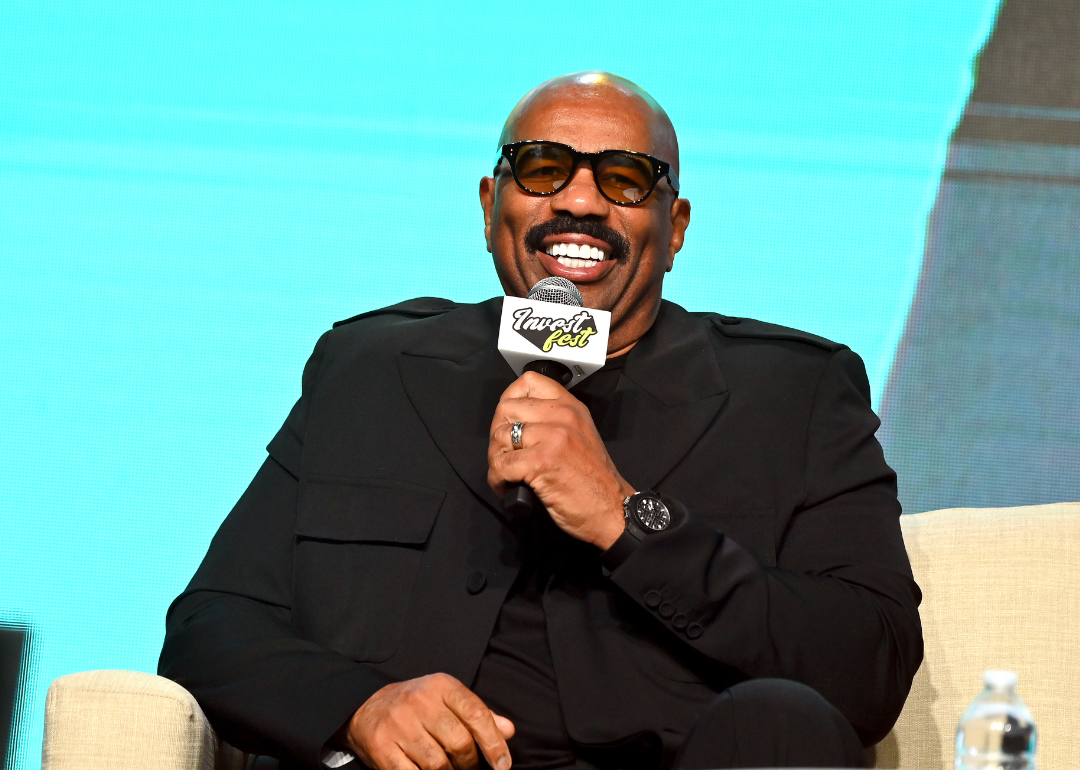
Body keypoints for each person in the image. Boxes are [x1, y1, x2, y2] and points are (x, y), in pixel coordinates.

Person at [159, 72, 923, 770]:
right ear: (491, 206)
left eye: (625, 179)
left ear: (676, 227)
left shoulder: (793, 392)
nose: (581, 202)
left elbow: (870, 665)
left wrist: (630, 519)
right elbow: (212, 627)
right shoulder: (371, 369)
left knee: (779, 722)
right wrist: (359, 705)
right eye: (541, 168)